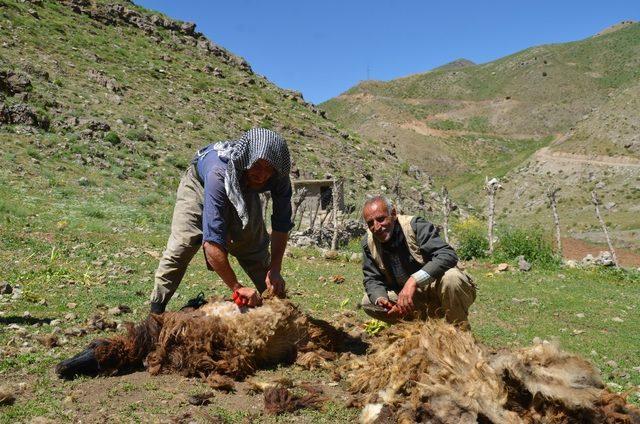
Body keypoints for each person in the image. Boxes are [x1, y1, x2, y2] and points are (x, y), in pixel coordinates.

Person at [149, 128, 294, 313]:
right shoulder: (218, 173)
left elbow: (281, 225)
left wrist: (275, 269)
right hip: (200, 186)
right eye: (257, 165)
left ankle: (278, 308)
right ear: (247, 160)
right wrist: (237, 288)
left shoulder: (278, 175)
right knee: (183, 244)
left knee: (253, 246)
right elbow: (211, 242)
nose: (262, 174)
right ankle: (156, 312)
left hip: (244, 187)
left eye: (269, 169)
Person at [360, 195, 476, 326]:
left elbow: (447, 255)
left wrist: (414, 280)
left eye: (381, 219)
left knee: (452, 278)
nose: (376, 227)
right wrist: (381, 299)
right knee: (369, 302)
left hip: (436, 290)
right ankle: (417, 327)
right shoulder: (368, 242)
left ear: (393, 213)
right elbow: (372, 279)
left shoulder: (415, 226)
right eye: (370, 223)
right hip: (410, 299)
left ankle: (459, 333)